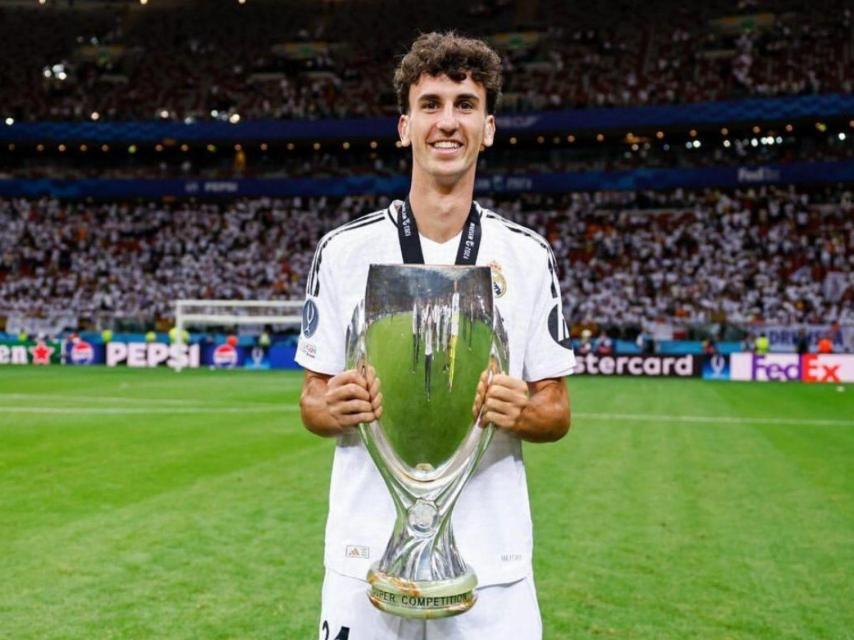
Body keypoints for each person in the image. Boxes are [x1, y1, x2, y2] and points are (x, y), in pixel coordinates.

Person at [296, 32, 574, 640]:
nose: (447, 121)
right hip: (365, 557)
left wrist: (523, 409)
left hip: (491, 563)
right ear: (405, 127)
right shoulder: (342, 251)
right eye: (431, 104)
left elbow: (557, 411)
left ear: (488, 128)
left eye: (465, 104)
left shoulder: (529, 256)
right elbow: (311, 401)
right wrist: (333, 404)